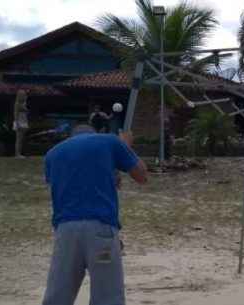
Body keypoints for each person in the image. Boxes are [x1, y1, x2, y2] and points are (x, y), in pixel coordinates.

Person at [41, 125, 148, 305]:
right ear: (94, 133)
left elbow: (73, 183)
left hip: (65, 231)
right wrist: (126, 146)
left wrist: (112, 174)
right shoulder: (110, 141)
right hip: (101, 229)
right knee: (107, 297)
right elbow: (142, 176)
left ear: (71, 137)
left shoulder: (52, 154)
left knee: (57, 296)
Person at [13, 90, 30, 158]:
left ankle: (19, 153)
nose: (25, 96)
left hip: (24, 122)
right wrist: (17, 123)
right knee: (19, 140)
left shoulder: (23, 103)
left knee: (22, 139)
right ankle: (17, 154)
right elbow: (15, 114)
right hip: (19, 122)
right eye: (23, 95)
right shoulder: (17, 104)